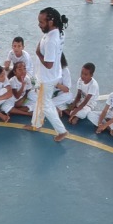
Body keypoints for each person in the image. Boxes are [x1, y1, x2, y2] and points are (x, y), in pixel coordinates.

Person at [32, 7, 71, 139]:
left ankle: (61, 131)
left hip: (46, 77)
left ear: (51, 22)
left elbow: (49, 64)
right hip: (53, 75)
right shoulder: (58, 31)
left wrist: (38, 53)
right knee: (40, 99)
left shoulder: (51, 41)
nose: (39, 25)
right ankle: (36, 124)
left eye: (41, 22)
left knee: (45, 104)